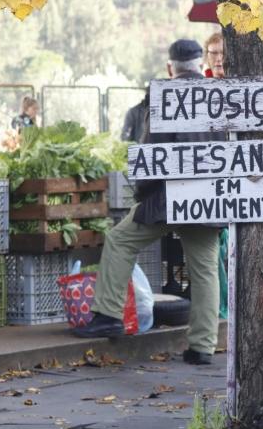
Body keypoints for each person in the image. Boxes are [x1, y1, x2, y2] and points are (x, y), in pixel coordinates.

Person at [75, 39, 225, 366]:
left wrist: (142, 194)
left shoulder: (166, 96)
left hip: (167, 197)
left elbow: (151, 153)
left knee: (120, 239)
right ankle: (202, 346)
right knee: (204, 270)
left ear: (171, 67)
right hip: (209, 198)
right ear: (201, 64)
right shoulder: (221, 96)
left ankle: (108, 314)